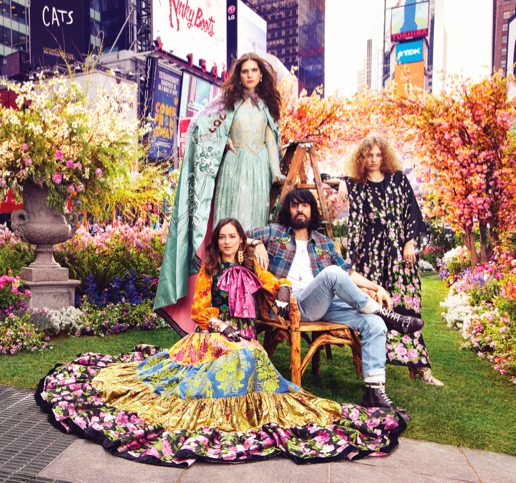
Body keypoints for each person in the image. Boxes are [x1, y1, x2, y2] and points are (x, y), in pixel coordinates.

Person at [36, 218, 406, 466]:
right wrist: (220, 326)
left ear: (242, 240)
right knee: (236, 358)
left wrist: (283, 289)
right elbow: (199, 312)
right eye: (223, 237)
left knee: (254, 359)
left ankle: (247, 408)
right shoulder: (210, 270)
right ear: (218, 242)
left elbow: (274, 283)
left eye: (233, 236)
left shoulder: (251, 268)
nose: (228, 242)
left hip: (243, 335)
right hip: (212, 334)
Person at [248, 189, 426, 413]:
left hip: (323, 304)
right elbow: (237, 234)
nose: (300, 210)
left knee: (374, 324)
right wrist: (257, 242)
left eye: (305, 205)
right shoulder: (275, 232)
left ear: (312, 210)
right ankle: (385, 313)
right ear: (288, 210)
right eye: (295, 206)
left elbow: (347, 273)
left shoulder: (324, 242)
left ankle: (374, 391)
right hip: (292, 305)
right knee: (332, 273)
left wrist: (376, 286)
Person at [155, 52, 286, 335]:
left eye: (254, 70)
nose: (249, 75)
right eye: (244, 71)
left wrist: (276, 171)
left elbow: (271, 141)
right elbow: (200, 126)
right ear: (238, 76)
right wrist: (221, 140)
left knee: (251, 224)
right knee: (231, 222)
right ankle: (218, 301)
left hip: (259, 170)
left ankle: (248, 297)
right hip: (233, 167)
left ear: (261, 75)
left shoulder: (266, 107)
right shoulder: (226, 104)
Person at [335, 135, 444, 387]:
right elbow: (325, 179)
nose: (373, 160)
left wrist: (410, 242)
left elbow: (413, 212)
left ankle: (421, 367)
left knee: (407, 307)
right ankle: (375, 366)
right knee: (376, 308)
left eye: (378, 155)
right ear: (362, 158)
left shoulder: (398, 180)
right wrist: (342, 181)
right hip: (370, 255)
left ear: (384, 156)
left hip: (398, 254)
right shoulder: (357, 184)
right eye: (369, 155)